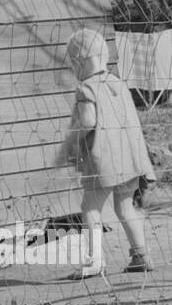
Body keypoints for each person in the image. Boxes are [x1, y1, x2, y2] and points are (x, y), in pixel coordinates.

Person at [55, 28, 157, 279]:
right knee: (125, 208)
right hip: (128, 159)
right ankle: (140, 255)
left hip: (101, 161)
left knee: (90, 207)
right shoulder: (118, 84)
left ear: (79, 62)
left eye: (73, 65)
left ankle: (94, 262)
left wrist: (70, 142)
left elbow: (88, 122)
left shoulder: (86, 89)